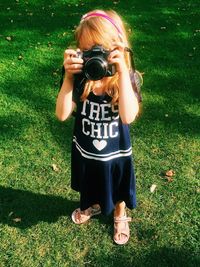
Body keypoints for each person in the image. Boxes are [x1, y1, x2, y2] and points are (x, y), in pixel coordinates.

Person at [56, 9, 142, 245]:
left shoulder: (126, 77)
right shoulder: (80, 77)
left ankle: (119, 214)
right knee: (91, 181)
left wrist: (123, 71)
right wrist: (68, 78)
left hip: (116, 153)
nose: (93, 58)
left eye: (99, 51)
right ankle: (94, 204)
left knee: (118, 185)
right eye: (86, 51)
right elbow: (62, 114)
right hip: (87, 150)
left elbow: (128, 116)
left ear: (117, 48)